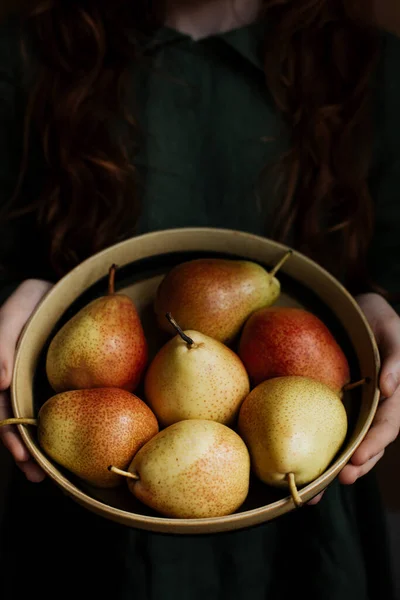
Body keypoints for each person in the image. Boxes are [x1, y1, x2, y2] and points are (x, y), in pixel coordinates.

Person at [0, 1, 399, 598]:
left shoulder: (373, 70)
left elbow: (390, 263)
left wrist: (383, 315)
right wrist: (25, 296)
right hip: (82, 516)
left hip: (307, 523)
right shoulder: (23, 58)